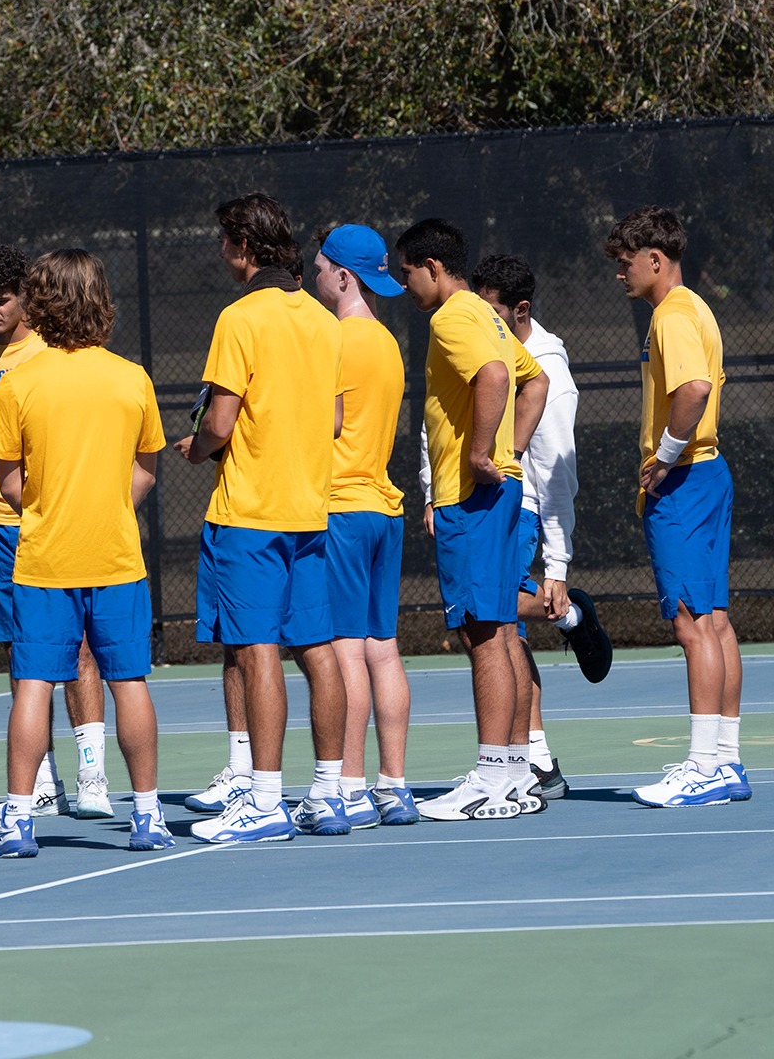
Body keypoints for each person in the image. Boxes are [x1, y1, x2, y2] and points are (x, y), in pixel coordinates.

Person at [0, 249, 169, 857]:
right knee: (129, 681)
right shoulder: (131, 377)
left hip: (43, 558)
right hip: (117, 556)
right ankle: (147, 815)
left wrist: (42, 507)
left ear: (40, 302)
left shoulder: (20, 383)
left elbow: (7, 477)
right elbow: (147, 469)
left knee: (33, 683)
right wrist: (112, 506)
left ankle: (17, 820)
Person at [179, 194, 348, 844]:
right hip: (309, 507)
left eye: (225, 241)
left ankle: (266, 801)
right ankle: (329, 794)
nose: (222, 253)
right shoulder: (321, 318)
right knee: (317, 649)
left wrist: (195, 447)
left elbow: (218, 423)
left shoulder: (239, 317)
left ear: (245, 247)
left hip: (250, 511)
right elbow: (333, 420)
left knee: (256, 654)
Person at [0, 245, 112, 820]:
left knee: (80, 645)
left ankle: (93, 775)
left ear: (29, 298)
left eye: (1, 300)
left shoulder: (57, 353)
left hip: (61, 524)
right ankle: (42, 778)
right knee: (22, 652)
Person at [394, 218, 538, 821]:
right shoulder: (488, 315)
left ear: (432, 267)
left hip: (471, 497)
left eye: (407, 273)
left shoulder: (454, 317)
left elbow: (500, 377)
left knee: (482, 636)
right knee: (500, 631)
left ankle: (490, 779)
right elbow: (537, 382)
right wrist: (511, 452)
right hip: (499, 493)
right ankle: (508, 775)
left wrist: (483, 456)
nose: (404, 285)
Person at [604, 206, 746, 807]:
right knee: (712, 619)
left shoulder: (672, 315)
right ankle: (724, 760)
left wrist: (662, 458)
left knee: (690, 623)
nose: (621, 274)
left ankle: (704, 765)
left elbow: (694, 390)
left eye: (626, 262)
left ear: (655, 260)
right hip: (706, 474)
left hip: (685, 480)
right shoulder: (696, 308)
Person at [468, 254, 615, 799]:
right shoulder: (481, 343)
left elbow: (557, 472)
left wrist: (557, 562)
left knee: (495, 622)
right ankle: (539, 763)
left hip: (520, 505)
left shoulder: (547, 365)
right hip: (478, 504)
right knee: (495, 627)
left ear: (520, 308)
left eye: (492, 309)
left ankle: (519, 763)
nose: (481, 317)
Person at [306, 226, 419, 828]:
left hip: (343, 508)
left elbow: (326, 425)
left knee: (345, 647)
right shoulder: (387, 342)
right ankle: (393, 785)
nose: (314, 275)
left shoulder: (337, 340)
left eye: (321, 267)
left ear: (344, 276)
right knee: (382, 648)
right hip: (383, 507)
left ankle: (346, 787)